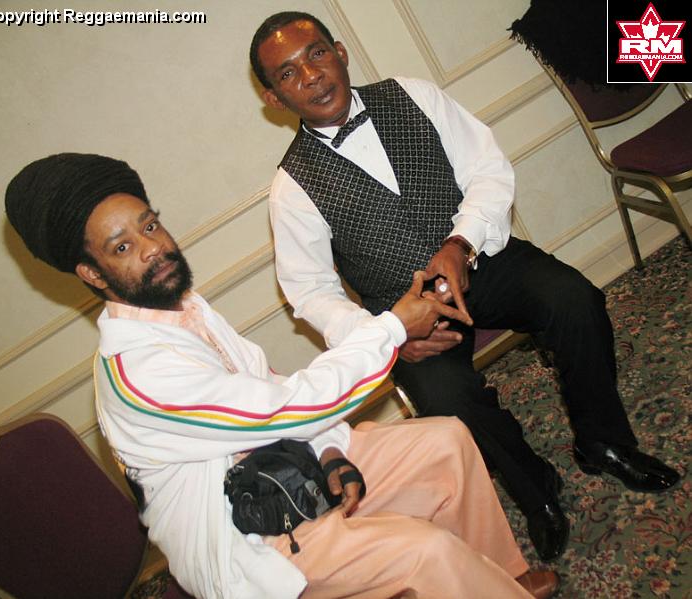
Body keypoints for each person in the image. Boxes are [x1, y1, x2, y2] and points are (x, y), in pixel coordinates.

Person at [4, 153, 560, 599]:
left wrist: (328, 451)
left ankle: (498, 581)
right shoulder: (138, 374)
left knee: (447, 440)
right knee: (424, 552)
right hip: (247, 535)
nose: (154, 247)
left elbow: (265, 387)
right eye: (124, 246)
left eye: (150, 225)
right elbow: (287, 408)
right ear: (92, 274)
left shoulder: (182, 307)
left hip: (289, 467)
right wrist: (393, 327)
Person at [250, 11, 680, 563]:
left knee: (575, 300)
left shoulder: (412, 93)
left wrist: (460, 243)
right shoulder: (290, 189)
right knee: (447, 400)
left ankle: (604, 442)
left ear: (339, 51)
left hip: (481, 261)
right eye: (288, 74)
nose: (310, 75)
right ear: (275, 99)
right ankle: (536, 490)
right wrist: (390, 335)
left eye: (315, 54)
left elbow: (488, 170)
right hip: (405, 314)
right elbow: (310, 291)